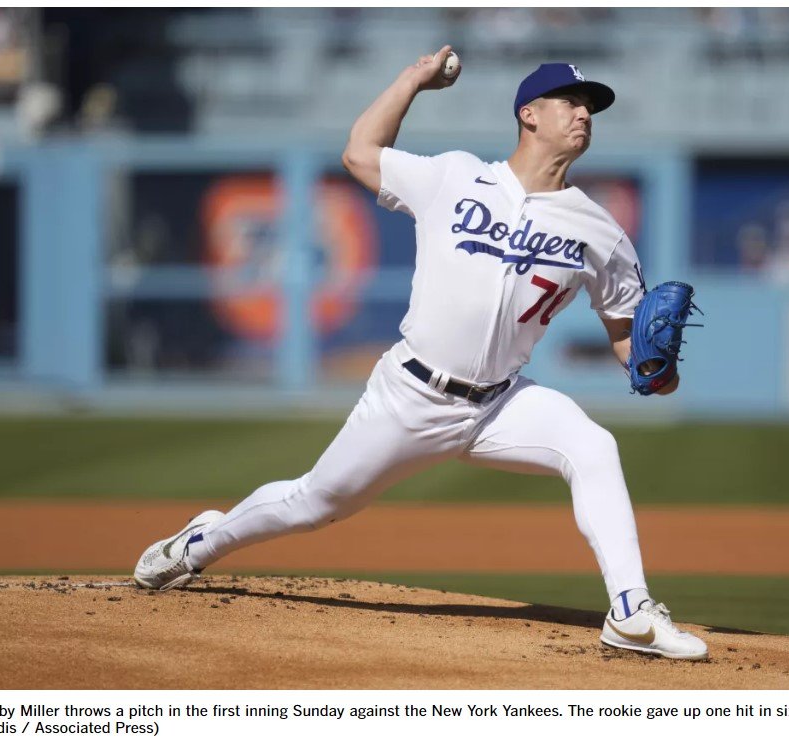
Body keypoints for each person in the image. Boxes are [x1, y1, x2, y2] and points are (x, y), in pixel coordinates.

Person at [134, 47, 708, 661]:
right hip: (411, 394)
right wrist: (413, 80)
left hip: (500, 403)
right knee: (314, 503)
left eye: (591, 106)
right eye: (572, 102)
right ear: (529, 114)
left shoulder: (599, 230)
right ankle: (200, 544)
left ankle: (630, 611)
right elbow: (359, 153)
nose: (585, 114)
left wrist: (654, 370)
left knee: (593, 447)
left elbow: (627, 335)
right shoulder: (455, 176)